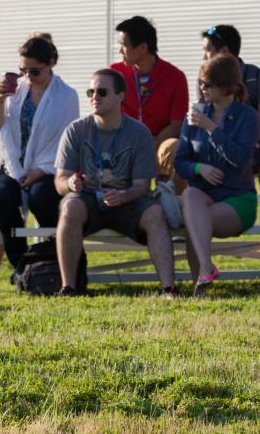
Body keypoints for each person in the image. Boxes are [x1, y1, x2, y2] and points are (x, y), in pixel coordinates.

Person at [54, 68, 177, 296]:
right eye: (91, 91)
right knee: (70, 205)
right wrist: (71, 184)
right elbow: (60, 181)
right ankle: (68, 287)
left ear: (121, 96)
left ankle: (168, 288)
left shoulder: (139, 133)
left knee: (155, 214)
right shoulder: (76, 130)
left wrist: (123, 195)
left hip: (128, 201)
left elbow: (142, 186)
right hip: (88, 200)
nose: (94, 97)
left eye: (102, 92)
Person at [0, 34, 79, 269]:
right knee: (1, 197)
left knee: (42, 197)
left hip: (49, 167)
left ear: (50, 63)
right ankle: (21, 263)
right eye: (23, 70)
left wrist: (41, 171)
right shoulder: (16, 92)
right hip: (13, 164)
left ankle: (54, 258)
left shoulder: (66, 96)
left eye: (35, 71)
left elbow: (65, 142)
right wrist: (1, 100)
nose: (28, 77)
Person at [175, 54, 259, 295]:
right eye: (201, 82)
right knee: (191, 196)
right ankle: (204, 272)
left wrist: (210, 127)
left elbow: (240, 158)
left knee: (196, 219)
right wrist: (199, 169)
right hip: (204, 195)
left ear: (226, 86)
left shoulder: (247, 116)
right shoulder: (194, 115)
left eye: (208, 84)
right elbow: (180, 162)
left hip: (237, 197)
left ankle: (201, 279)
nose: (203, 89)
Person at [201, 24, 260, 222]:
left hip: (251, 142)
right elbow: (205, 118)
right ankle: (202, 207)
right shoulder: (204, 78)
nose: (204, 57)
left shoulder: (258, 78)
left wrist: (241, 141)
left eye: (208, 51)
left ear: (224, 51)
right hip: (215, 141)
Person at [111, 16, 189, 190]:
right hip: (126, 144)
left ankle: (174, 206)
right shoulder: (114, 73)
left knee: (174, 148)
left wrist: (147, 144)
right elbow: (108, 116)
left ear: (143, 47)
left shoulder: (175, 76)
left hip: (158, 144)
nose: (120, 51)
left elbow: (176, 125)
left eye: (124, 45)